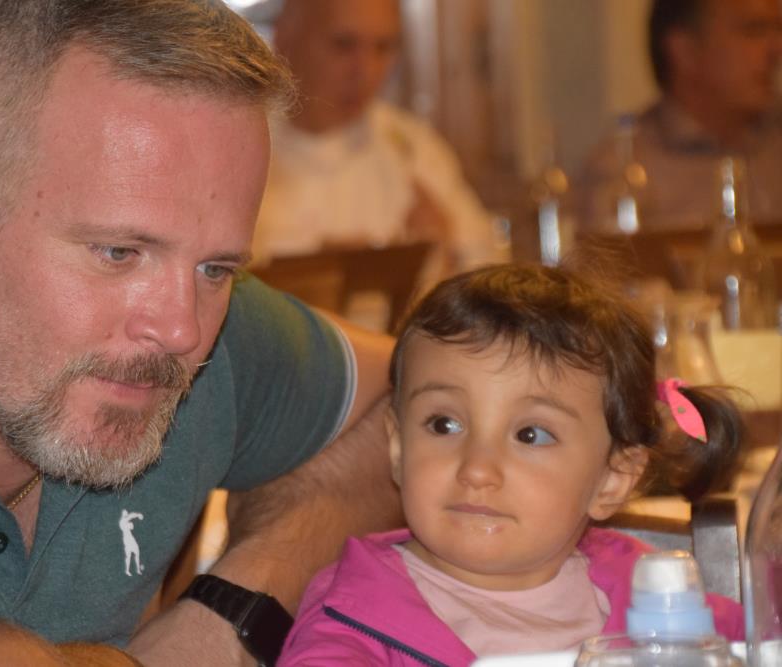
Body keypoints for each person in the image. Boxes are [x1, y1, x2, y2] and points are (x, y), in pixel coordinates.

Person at [0, 1, 400, 665]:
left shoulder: (166, 319)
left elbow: (422, 402)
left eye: (217, 268)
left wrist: (228, 614)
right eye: (118, 253)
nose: (182, 329)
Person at [278, 263, 745, 666]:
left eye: (530, 435)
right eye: (444, 424)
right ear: (398, 448)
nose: (477, 469)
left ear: (612, 478)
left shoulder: (662, 602)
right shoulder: (353, 620)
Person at [252, 0, 504, 276]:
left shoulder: (414, 147)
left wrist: (444, 255)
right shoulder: (245, 144)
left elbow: (487, 273)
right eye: (344, 45)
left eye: (383, 47)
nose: (366, 70)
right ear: (286, 39)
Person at [579, 0, 782, 232]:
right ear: (684, 50)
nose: (776, 49)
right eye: (753, 30)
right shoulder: (624, 173)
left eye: (778, 29)